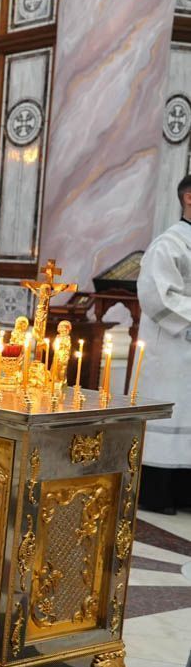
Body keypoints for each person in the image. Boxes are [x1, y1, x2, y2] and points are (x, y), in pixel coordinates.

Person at [137, 174, 191, 513]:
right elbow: (156, 296)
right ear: (189, 198)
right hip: (171, 349)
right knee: (169, 415)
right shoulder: (168, 244)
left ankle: (184, 493)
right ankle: (157, 495)